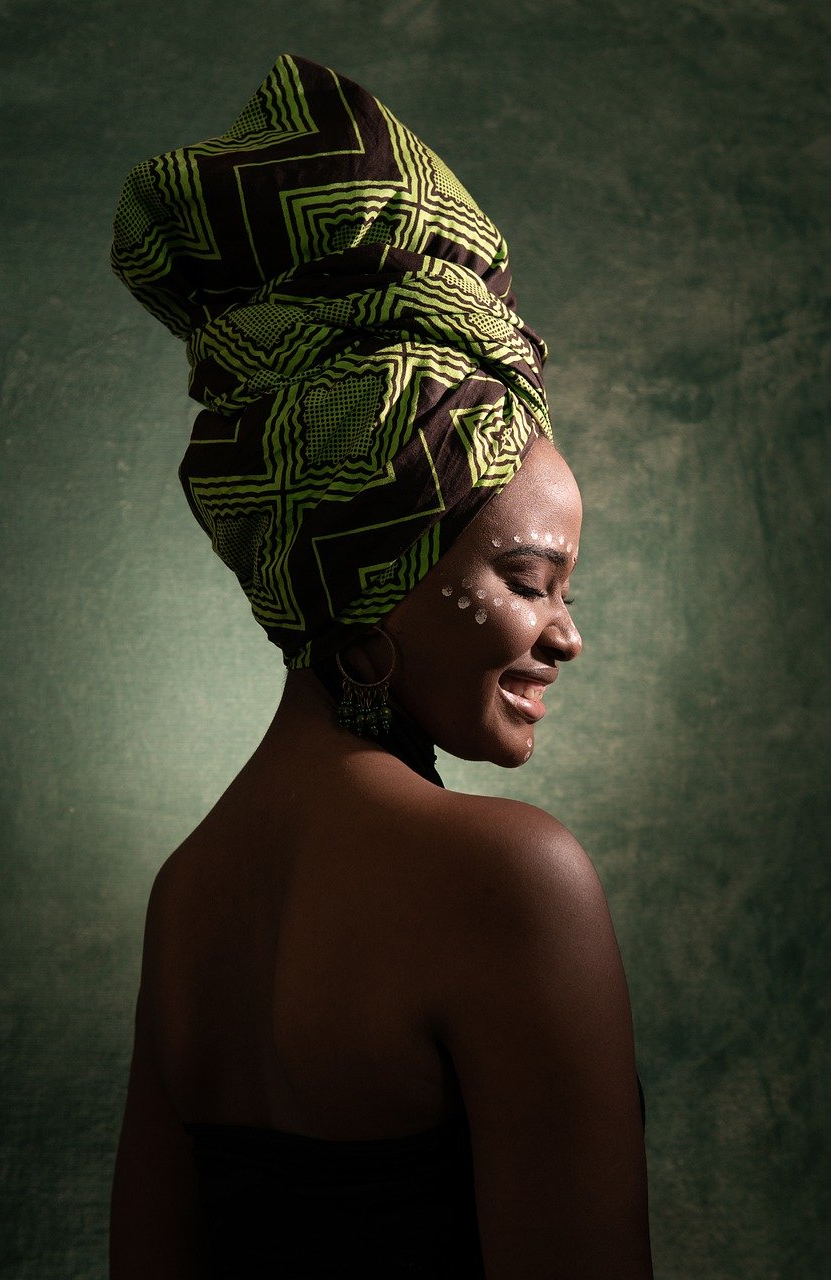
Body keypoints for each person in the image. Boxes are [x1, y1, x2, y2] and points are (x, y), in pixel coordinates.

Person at [108, 54, 653, 1279]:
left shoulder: (186, 898)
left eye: (565, 589)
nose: (566, 634)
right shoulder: (511, 878)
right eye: (527, 579)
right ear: (370, 580)